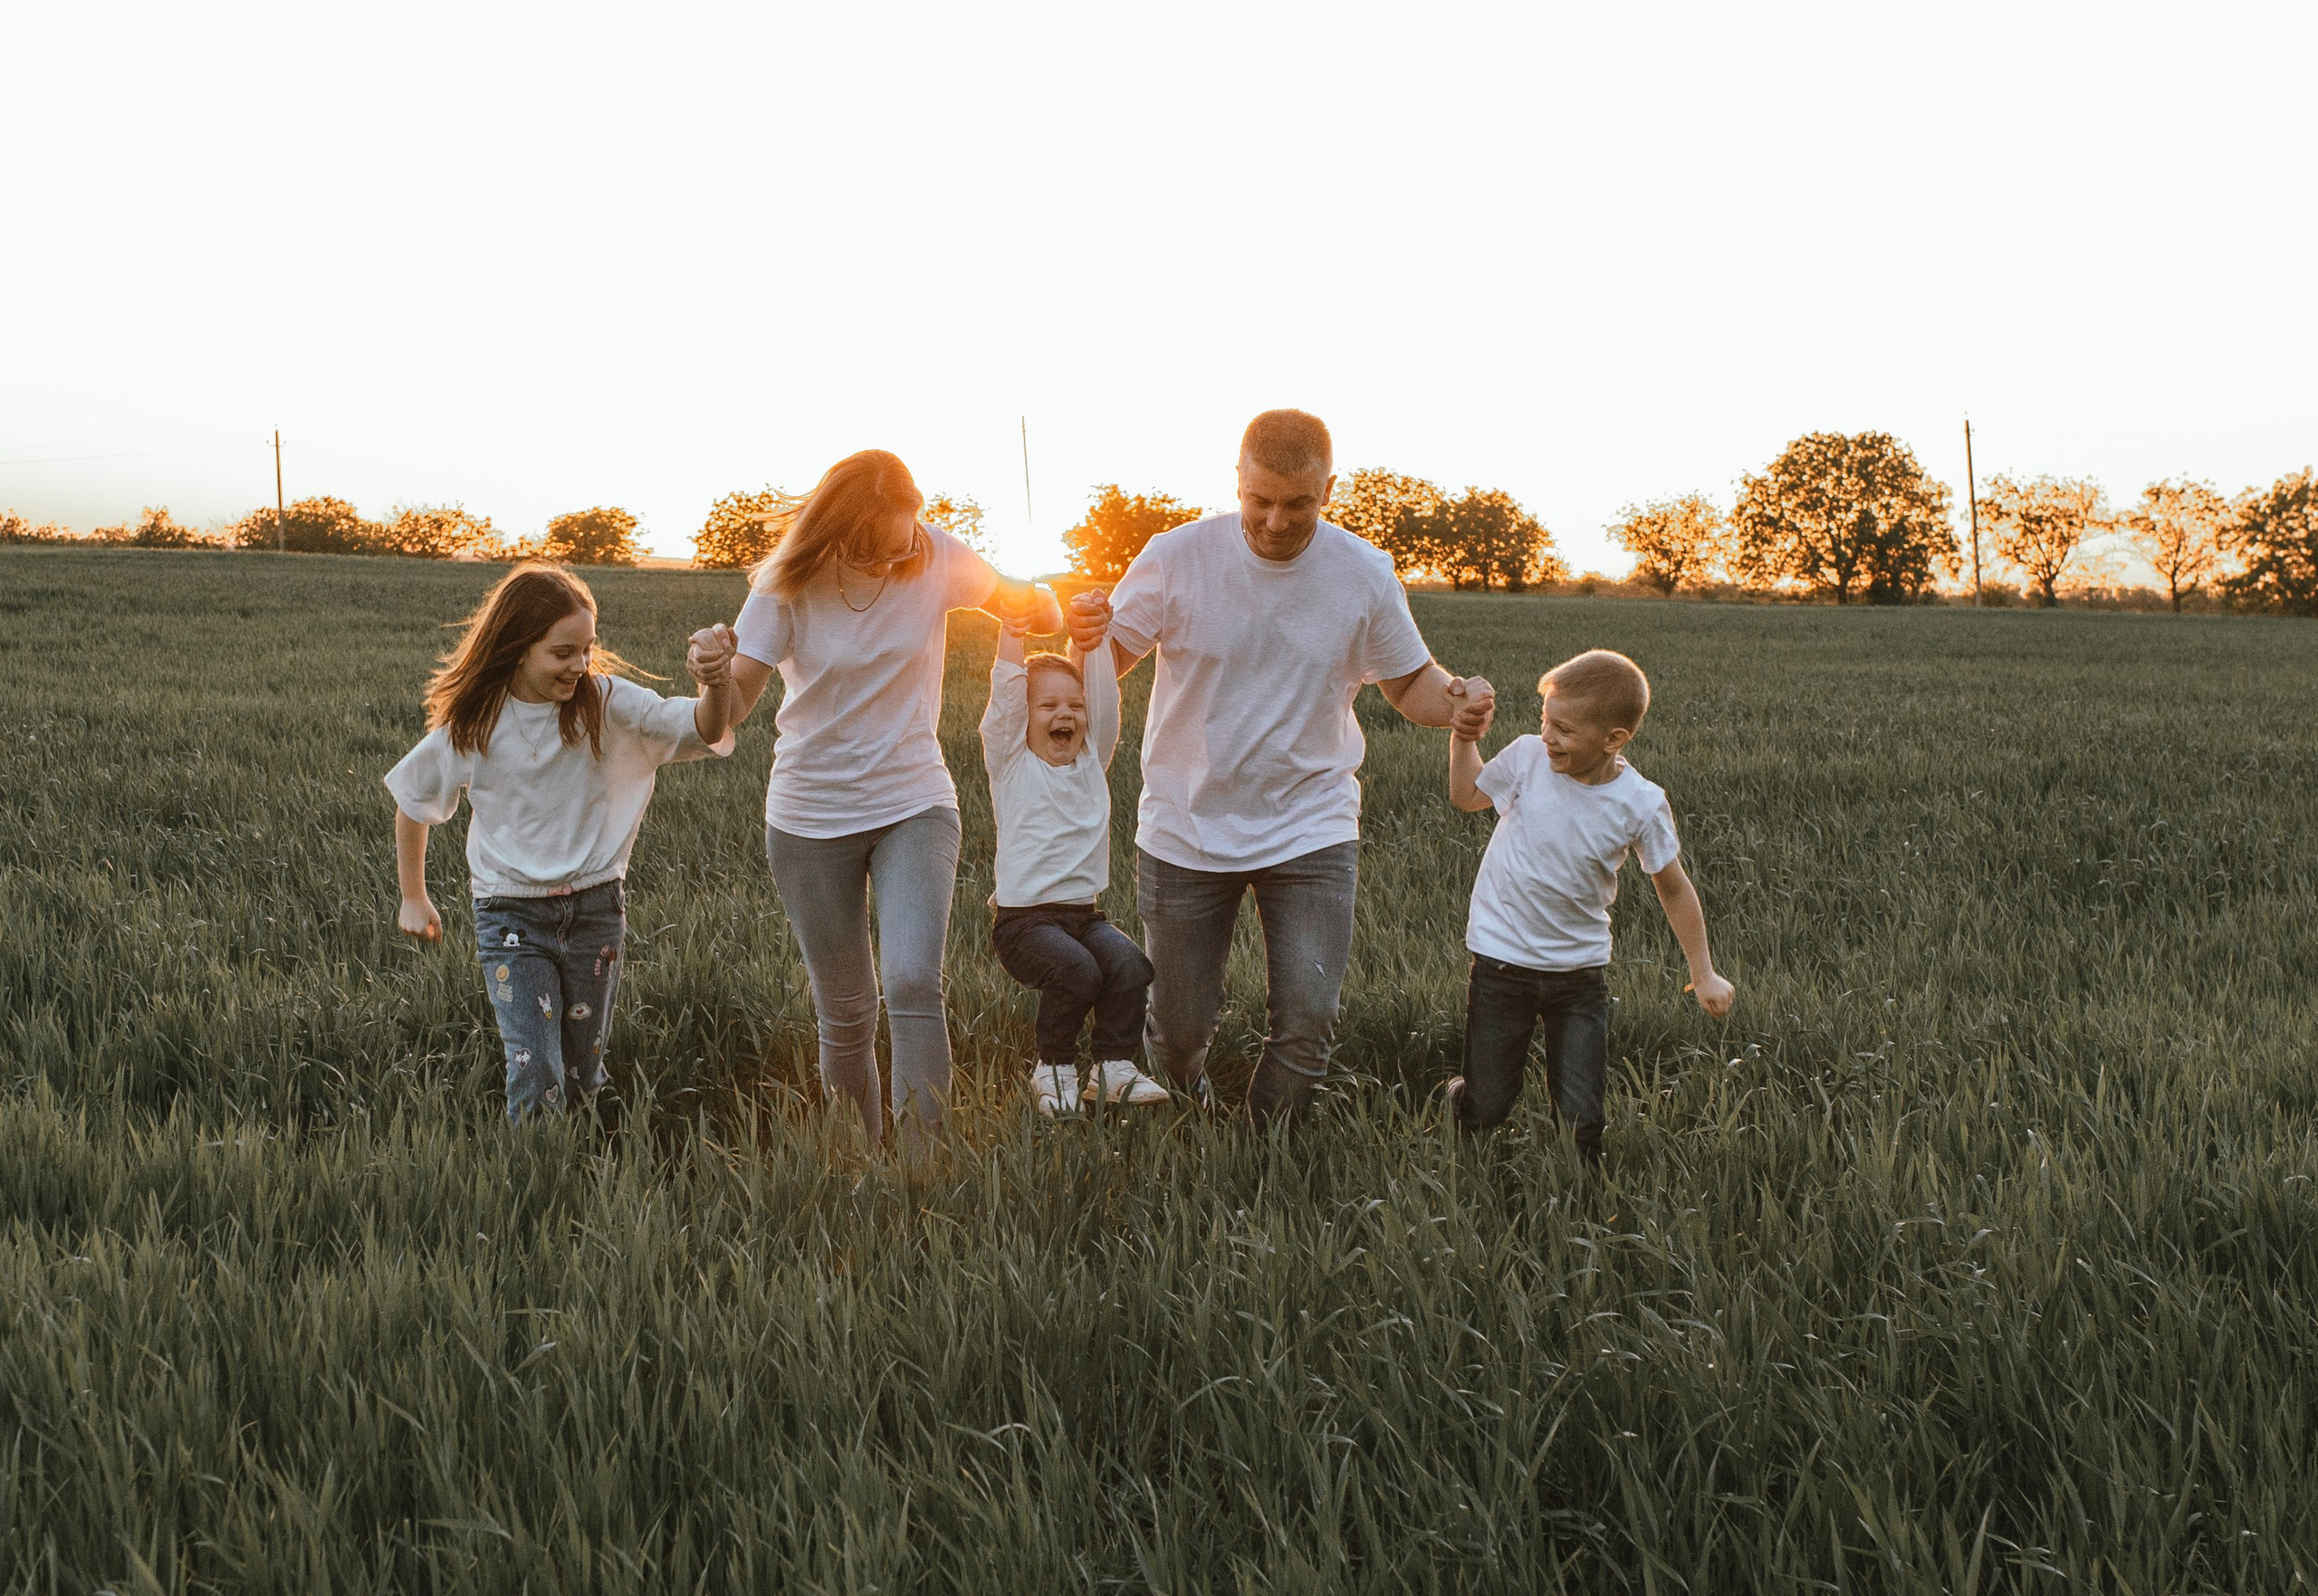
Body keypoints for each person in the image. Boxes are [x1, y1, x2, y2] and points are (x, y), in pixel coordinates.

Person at [1067, 409, 1496, 1126]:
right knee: (1175, 1031)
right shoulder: (1176, 556)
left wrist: (1455, 702)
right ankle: (1188, 1094)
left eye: (1298, 504)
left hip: (1311, 824)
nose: (1273, 520)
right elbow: (1107, 663)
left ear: (1330, 489)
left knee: (1308, 1017)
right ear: (1237, 479)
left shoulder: (1362, 572)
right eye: (1258, 499)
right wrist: (1083, 640)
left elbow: (1408, 681)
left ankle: (1261, 1153)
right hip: (1185, 823)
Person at [692, 449, 1062, 1150]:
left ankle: (921, 1169)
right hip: (808, 816)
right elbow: (733, 704)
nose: (899, 561)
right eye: (880, 549)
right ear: (840, 530)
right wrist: (713, 676)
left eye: (907, 544)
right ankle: (857, 1162)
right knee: (847, 1011)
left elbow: (1020, 600)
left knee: (915, 981)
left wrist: (1036, 602)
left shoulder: (933, 551)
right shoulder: (786, 585)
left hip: (914, 799)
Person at [387, 562, 737, 1123]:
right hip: (509, 916)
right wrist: (412, 895)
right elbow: (413, 802)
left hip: (596, 909)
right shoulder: (477, 723)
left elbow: (706, 728)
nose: (579, 665)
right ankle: (534, 1182)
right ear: (519, 647)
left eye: (586, 650)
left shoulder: (605, 701)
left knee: (582, 1068)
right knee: (536, 1066)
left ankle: (583, 1162)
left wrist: (716, 683)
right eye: (562, 652)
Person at [1446, 647, 1735, 1164]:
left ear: (1614, 739)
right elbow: (1467, 796)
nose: (1548, 736)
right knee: (1488, 1103)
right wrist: (1463, 738)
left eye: (1565, 729)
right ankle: (1461, 1123)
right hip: (1500, 961)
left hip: (1579, 975)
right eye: (1546, 721)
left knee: (1582, 1117)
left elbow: (1674, 887)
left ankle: (1581, 1202)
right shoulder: (1527, 758)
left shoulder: (1640, 803)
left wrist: (1704, 972)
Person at [980, 597, 1168, 1117]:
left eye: (1073, 706)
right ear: (1026, 719)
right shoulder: (1011, 762)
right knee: (1079, 973)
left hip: (1083, 917)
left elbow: (1105, 702)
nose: (1064, 713)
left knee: (1130, 965)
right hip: (1023, 923)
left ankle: (1113, 1070)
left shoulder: (1091, 762)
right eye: (1048, 706)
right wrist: (1013, 631)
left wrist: (1096, 642)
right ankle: (1054, 1070)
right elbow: (1005, 703)